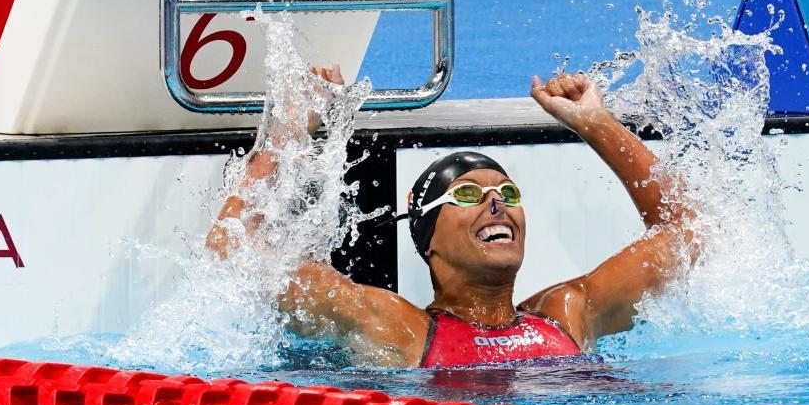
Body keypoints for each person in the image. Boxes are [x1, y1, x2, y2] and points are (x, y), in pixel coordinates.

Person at [207, 68, 693, 368]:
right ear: (429, 241)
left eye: (507, 192)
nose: (497, 203)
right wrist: (288, 132)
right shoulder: (396, 328)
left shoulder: (569, 314)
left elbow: (690, 231)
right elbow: (235, 258)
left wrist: (597, 125)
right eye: (467, 194)